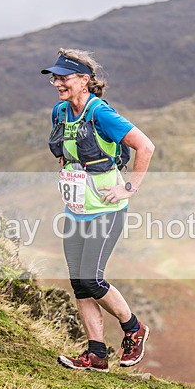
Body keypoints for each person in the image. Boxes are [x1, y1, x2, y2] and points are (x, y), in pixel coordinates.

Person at [41, 48, 155, 372]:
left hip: (107, 210)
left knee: (91, 278)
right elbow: (64, 153)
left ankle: (133, 327)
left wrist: (129, 187)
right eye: (55, 78)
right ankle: (96, 354)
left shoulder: (100, 113)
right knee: (79, 282)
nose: (57, 83)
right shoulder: (60, 113)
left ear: (85, 80)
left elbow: (145, 146)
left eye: (64, 78)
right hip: (75, 210)